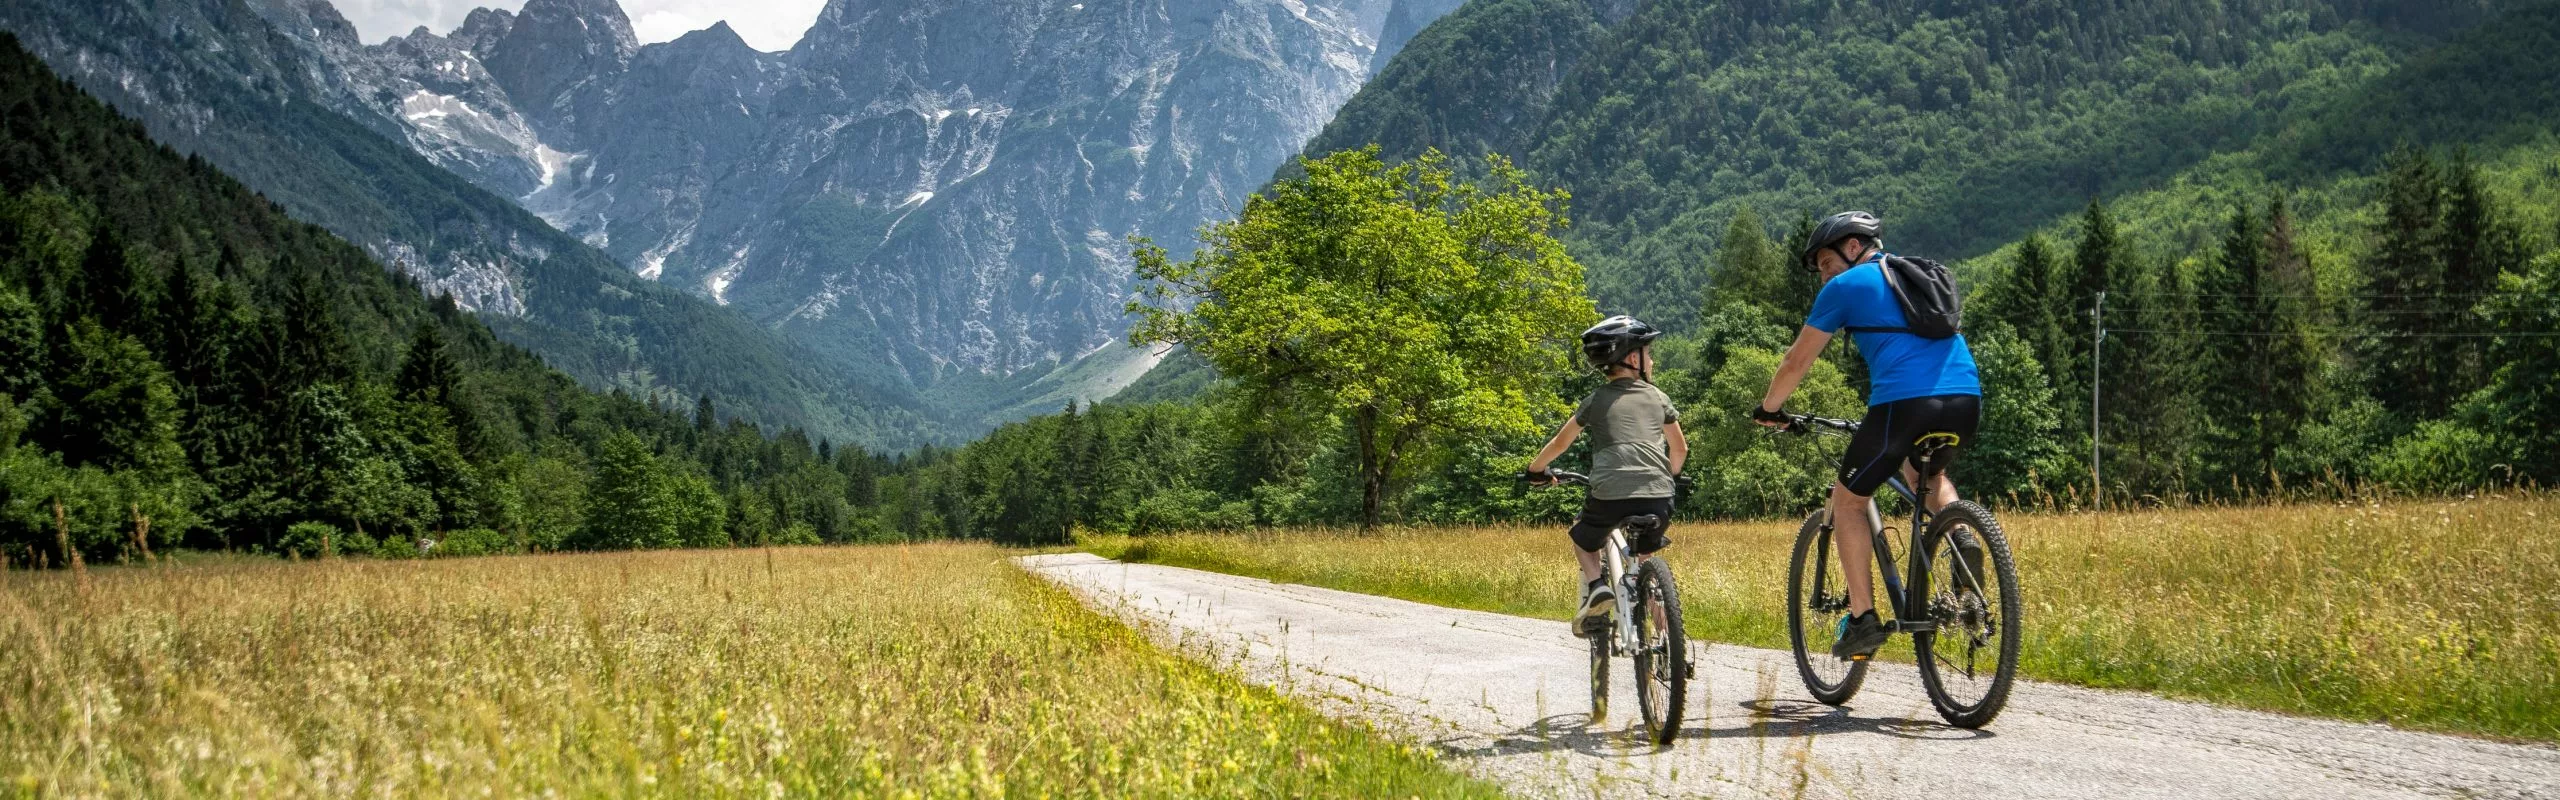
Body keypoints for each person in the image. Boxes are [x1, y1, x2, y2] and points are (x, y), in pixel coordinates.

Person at [1752, 211, 1981, 662]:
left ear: (1852, 247)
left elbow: (1797, 362)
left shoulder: (1846, 287)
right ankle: (1963, 535)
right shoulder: (1914, 276)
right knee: (1928, 478)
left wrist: (1770, 408)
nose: (1823, 275)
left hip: (1904, 403)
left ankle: (1862, 620)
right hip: (1965, 397)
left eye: (1824, 262)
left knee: (1850, 501)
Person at [1525, 315, 1688, 637]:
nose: (1652, 359)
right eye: (1648, 352)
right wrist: (1670, 476)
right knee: (1643, 561)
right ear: (1632, 358)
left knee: (1583, 539)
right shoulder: (1658, 398)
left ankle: (1598, 585)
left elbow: (1561, 442)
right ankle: (1671, 639)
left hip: (1609, 495)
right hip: (1658, 495)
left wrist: (1536, 470)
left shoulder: (1596, 400)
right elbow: (1679, 449)